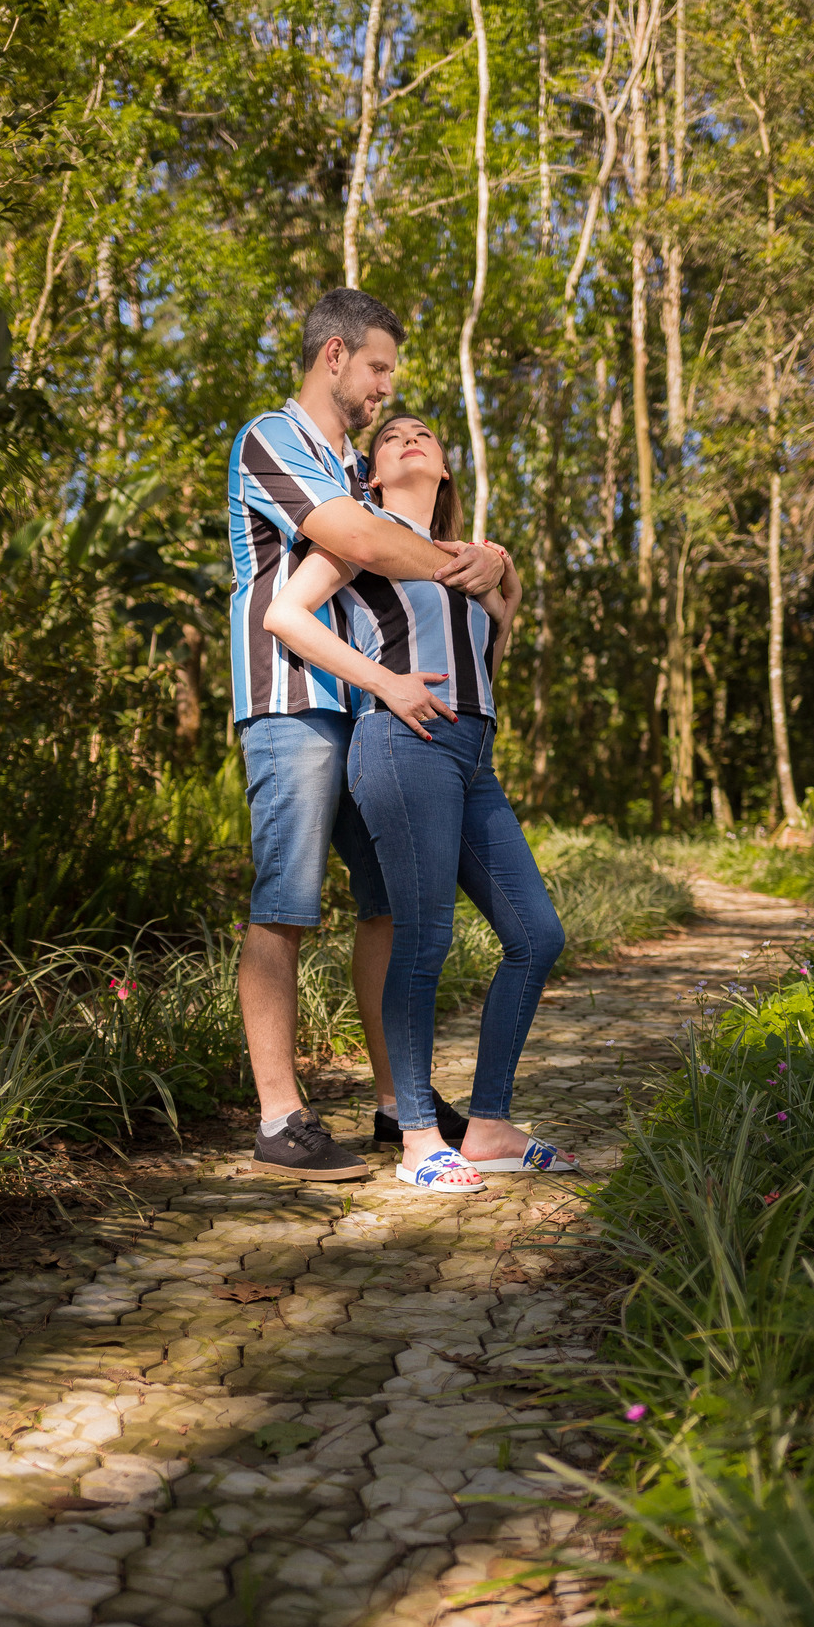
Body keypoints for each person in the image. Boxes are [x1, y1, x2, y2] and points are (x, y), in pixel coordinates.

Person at [228, 291, 506, 1181]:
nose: (388, 387)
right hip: (293, 702)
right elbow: (352, 539)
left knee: (384, 902)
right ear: (336, 355)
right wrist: (474, 560)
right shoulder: (272, 438)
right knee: (287, 898)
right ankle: (280, 1116)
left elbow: (399, 540)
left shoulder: (358, 463)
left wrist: (496, 564)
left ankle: (399, 1105)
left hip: (373, 715)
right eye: (380, 368)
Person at [263, 412, 572, 1194]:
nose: (407, 437)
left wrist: (506, 588)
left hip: (474, 755)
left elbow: (488, 657)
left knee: (537, 935)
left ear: (445, 471)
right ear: (369, 474)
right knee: (424, 936)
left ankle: (491, 1123)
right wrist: (383, 684)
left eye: (424, 434)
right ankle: (417, 1136)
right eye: (391, 434)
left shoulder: (468, 558)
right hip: (403, 746)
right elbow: (285, 614)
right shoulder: (361, 532)